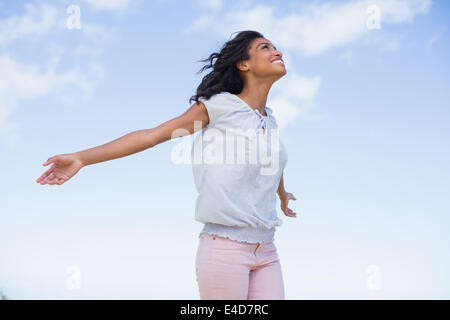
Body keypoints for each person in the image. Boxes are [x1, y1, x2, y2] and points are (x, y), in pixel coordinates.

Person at [36, 30, 297, 300]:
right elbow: (152, 136)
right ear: (243, 64)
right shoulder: (220, 108)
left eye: (275, 47)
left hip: (267, 249)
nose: (276, 52)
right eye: (265, 48)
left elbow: (271, 164)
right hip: (226, 248)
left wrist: (282, 195)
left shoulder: (269, 119)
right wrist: (82, 158)